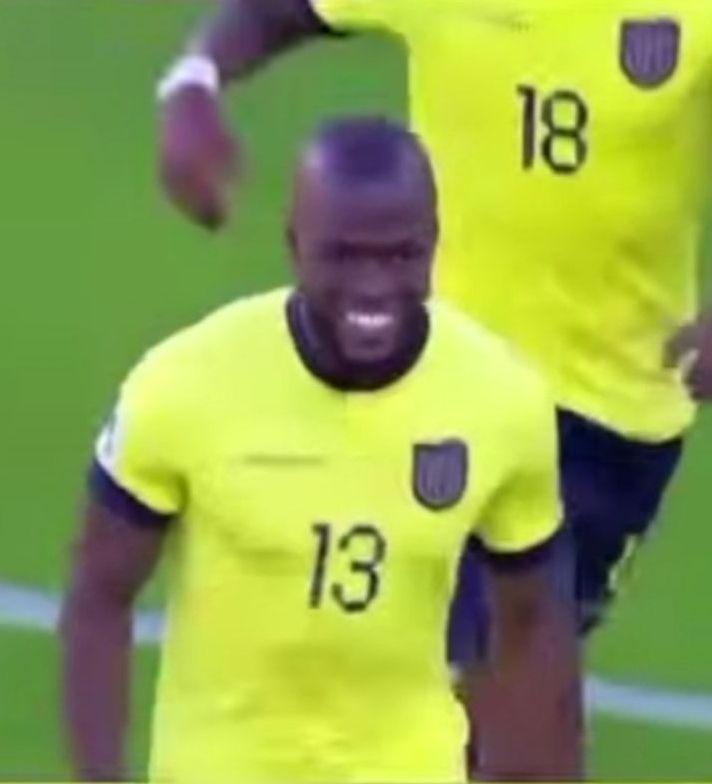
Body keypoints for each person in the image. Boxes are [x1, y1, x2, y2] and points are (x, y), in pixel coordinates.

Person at [156, 0, 712, 656]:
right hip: (429, 384)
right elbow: (284, 11)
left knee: (476, 681)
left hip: (599, 427)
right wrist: (193, 81)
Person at [61, 117, 581, 783]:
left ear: (434, 245)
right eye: (342, 255)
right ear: (293, 245)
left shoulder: (501, 402)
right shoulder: (184, 386)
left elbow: (532, 621)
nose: (372, 286)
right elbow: (99, 593)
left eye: (399, 255)